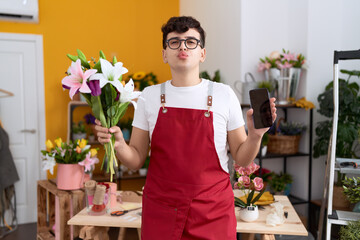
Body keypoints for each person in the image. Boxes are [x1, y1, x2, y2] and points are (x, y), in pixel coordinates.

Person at [95, 16, 277, 240]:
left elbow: (242, 159)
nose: (182, 46)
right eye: (174, 42)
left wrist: (256, 135)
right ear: (164, 53)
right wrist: (120, 144)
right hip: (161, 209)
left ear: (202, 53)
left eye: (191, 41)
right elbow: (136, 159)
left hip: (212, 212)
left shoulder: (224, 94)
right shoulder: (149, 97)